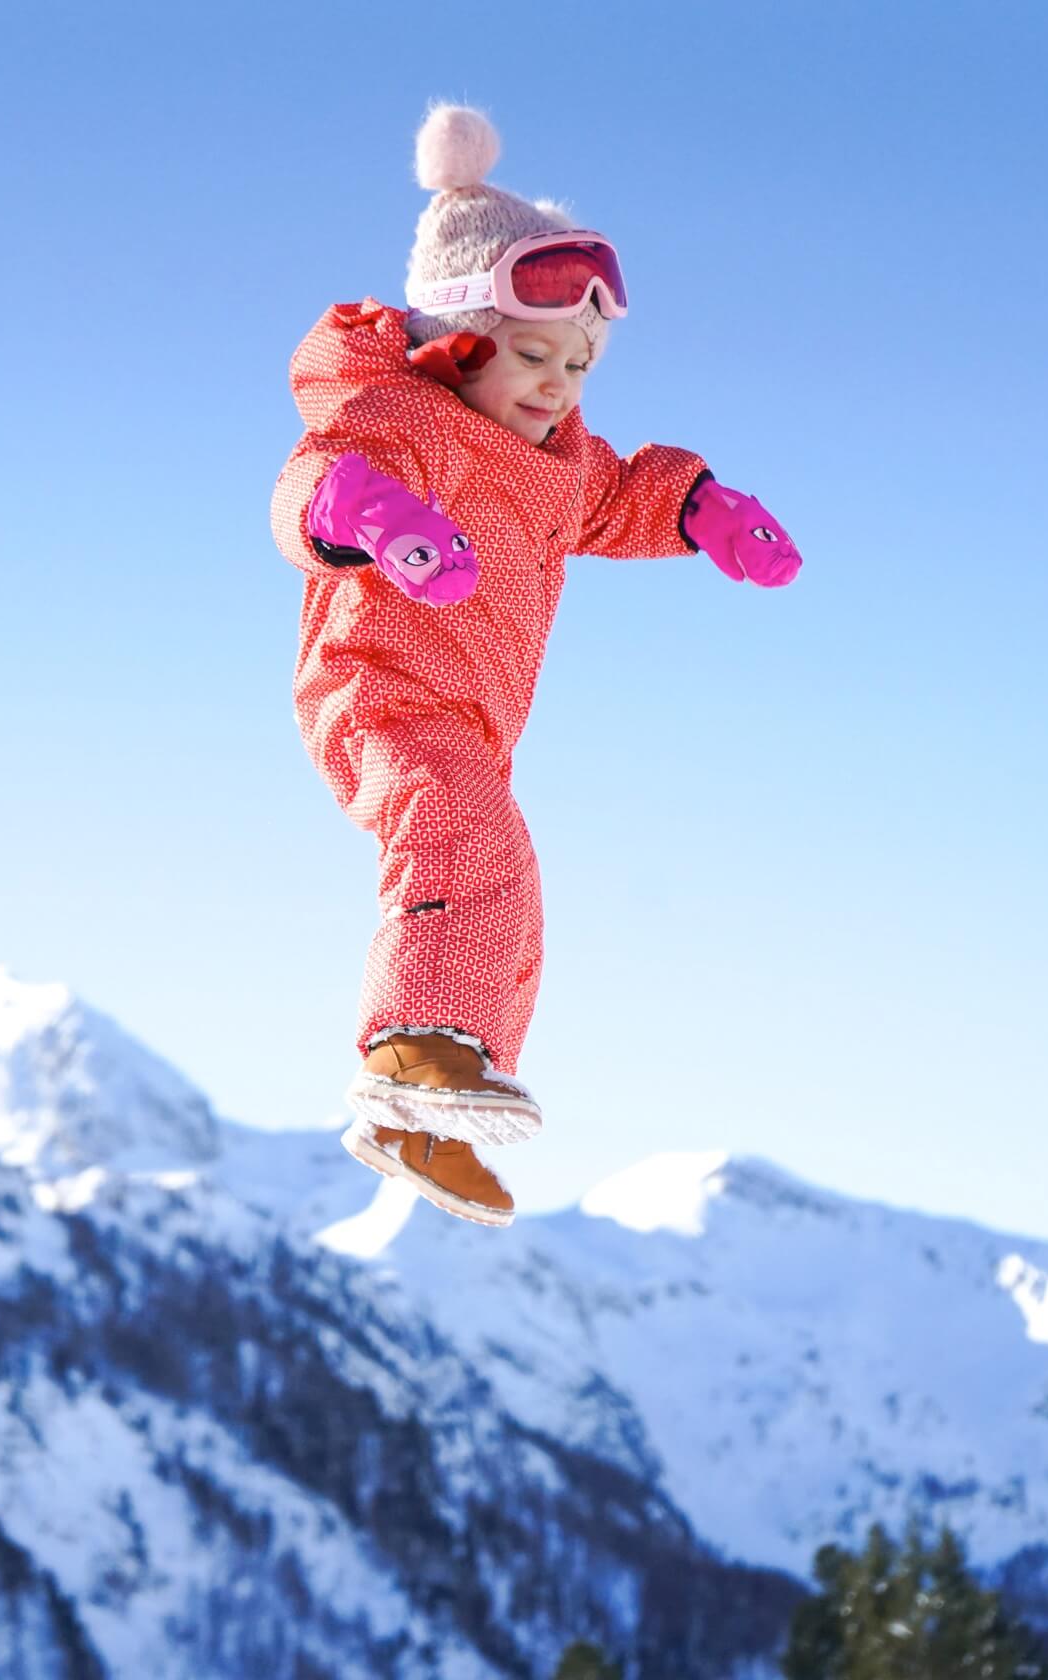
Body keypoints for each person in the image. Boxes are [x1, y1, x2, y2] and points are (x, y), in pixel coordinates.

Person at [267, 105, 802, 1228]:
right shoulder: (397, 418)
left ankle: (424, 1107)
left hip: (472, 718)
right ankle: (412, 1051)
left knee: (507, 888)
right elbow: (311, 482)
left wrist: (706, 511)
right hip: (379, 689)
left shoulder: (554, 462)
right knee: (467, 841)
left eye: (581, 363)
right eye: (534, 354)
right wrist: (367, 511)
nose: (561, 385)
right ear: (455, 335)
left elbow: (621, 495)